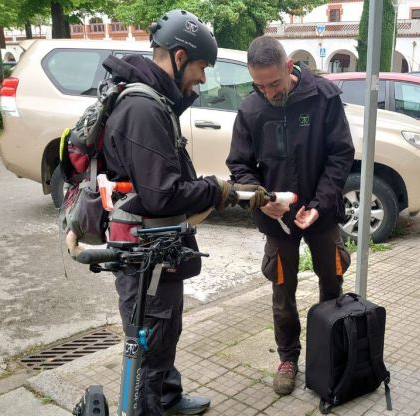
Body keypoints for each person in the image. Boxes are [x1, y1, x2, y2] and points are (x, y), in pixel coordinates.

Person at [100, 10, 259, 415]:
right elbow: (162, 196)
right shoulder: (144, 110)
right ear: (181, 56)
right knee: (151, 338)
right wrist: (218, 188)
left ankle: (166, 398)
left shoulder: (155, 102)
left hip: (156, 246)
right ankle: (152, 407)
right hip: (144, 252)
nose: (203, 79)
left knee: (164, 329)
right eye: (202, 67)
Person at [226, 35, 355, 396]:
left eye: (274, 84)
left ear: (288, 67)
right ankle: (288, 357)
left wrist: (320, 204)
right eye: (260, 85)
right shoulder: (251, 109)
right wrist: (260, 198)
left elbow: (341, 155)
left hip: (322, 213)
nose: (268, 92)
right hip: (277, 220)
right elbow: (239, 165)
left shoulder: (324, 98)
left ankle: (330, 351)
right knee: (283, 291)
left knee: (332, 283)